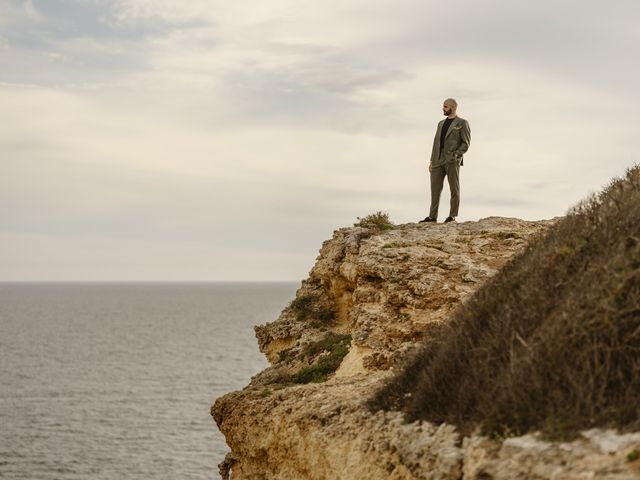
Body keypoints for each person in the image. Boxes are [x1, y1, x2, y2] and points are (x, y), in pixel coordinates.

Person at [419, 98, 471, 224]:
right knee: (435, 189)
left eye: (445, 106)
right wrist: (432, 161)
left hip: (452, 160)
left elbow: (466, 143)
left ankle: (452, 215)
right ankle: (432, 217)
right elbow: (435, 142)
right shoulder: (440, 123)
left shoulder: (462, 123)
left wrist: (456, 155)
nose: (443, 108)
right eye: (443, 106)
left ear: (453, 107)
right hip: (437, 160)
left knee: (454, 188)